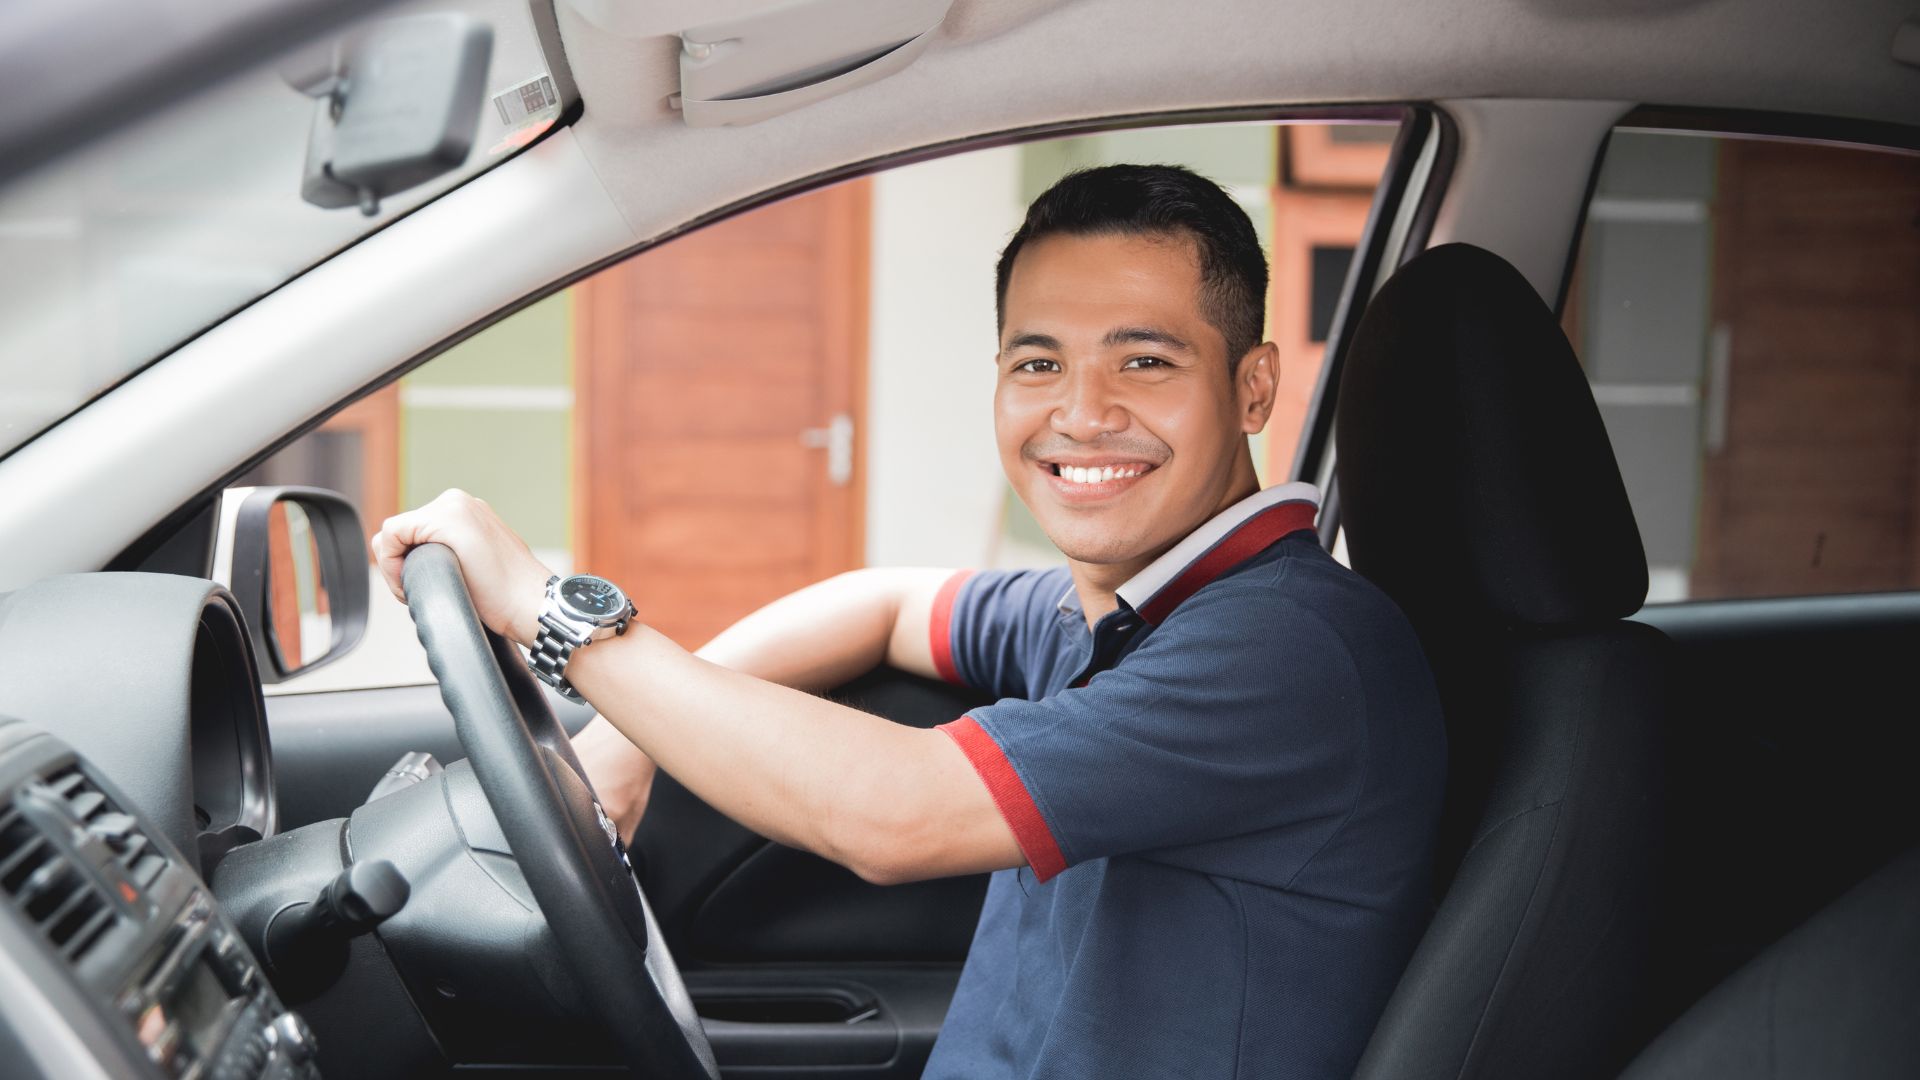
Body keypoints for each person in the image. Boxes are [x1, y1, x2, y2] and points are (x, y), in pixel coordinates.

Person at [372, 164, 1446, 1079]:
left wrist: (551, 614)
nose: (1080, 411)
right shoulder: (1120, 606)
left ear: (1254, 388)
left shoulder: (1289, 648)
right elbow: (883, 606)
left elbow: (891, 816)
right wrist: (620, 753)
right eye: (1039, 364)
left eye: (1145, 360)